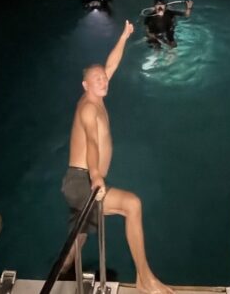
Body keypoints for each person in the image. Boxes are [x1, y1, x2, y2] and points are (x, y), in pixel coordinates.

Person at [62, 21, 174, 294]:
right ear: (85, 85)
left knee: (77, 240)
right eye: (97, 79)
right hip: (83, 181)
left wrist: (124, 36)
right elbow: (91, 142)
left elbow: (111, 64)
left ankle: (60, 272)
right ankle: (144, 279)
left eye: (104, 77)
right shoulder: (88, 109)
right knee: (132, 205)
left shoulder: (97, 94)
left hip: (78, 181)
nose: (104, 81)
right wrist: (96, 175)